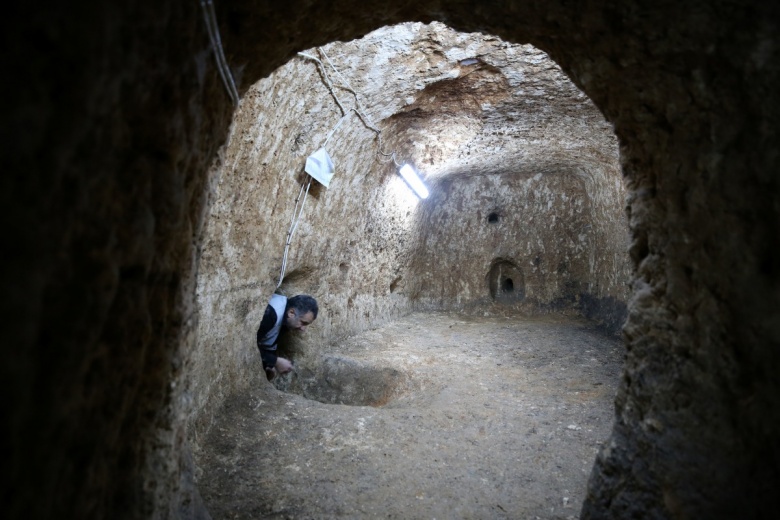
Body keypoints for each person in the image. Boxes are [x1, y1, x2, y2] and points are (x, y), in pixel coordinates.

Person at [256, 293, 318, 380]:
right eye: (303, 322)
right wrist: (275, 361)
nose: (303, 329)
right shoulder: (270, 314)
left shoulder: (286, 319)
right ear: (291, 313)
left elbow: (267, 345)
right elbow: (246, 346)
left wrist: (269, 365)